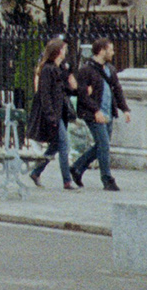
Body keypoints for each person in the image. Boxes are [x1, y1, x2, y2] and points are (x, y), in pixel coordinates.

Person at [71, 38, 130, 191]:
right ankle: (107, 179)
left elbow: (117, 89)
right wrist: (96, 110)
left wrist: (125, 109)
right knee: (103, 145)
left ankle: (77, 167)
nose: (113, 52)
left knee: (101, 146)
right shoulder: (86, 70)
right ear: (102, 51)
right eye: (110, 49)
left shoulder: (110, 69)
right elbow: (82, 95)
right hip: (93, 114)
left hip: (108, 112)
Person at [27, 37, 76, 189]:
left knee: (56, 145)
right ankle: (67, 180)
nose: (65, 52)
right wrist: (50, 116)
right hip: (53, 114)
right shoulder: (48, 69)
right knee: (64, 145)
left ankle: (36, 171)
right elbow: (45, 95)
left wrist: (71, 83)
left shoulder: (59, 68)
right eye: (63, 49)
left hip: (60, 113)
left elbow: (63, 90)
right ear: (58, 51)